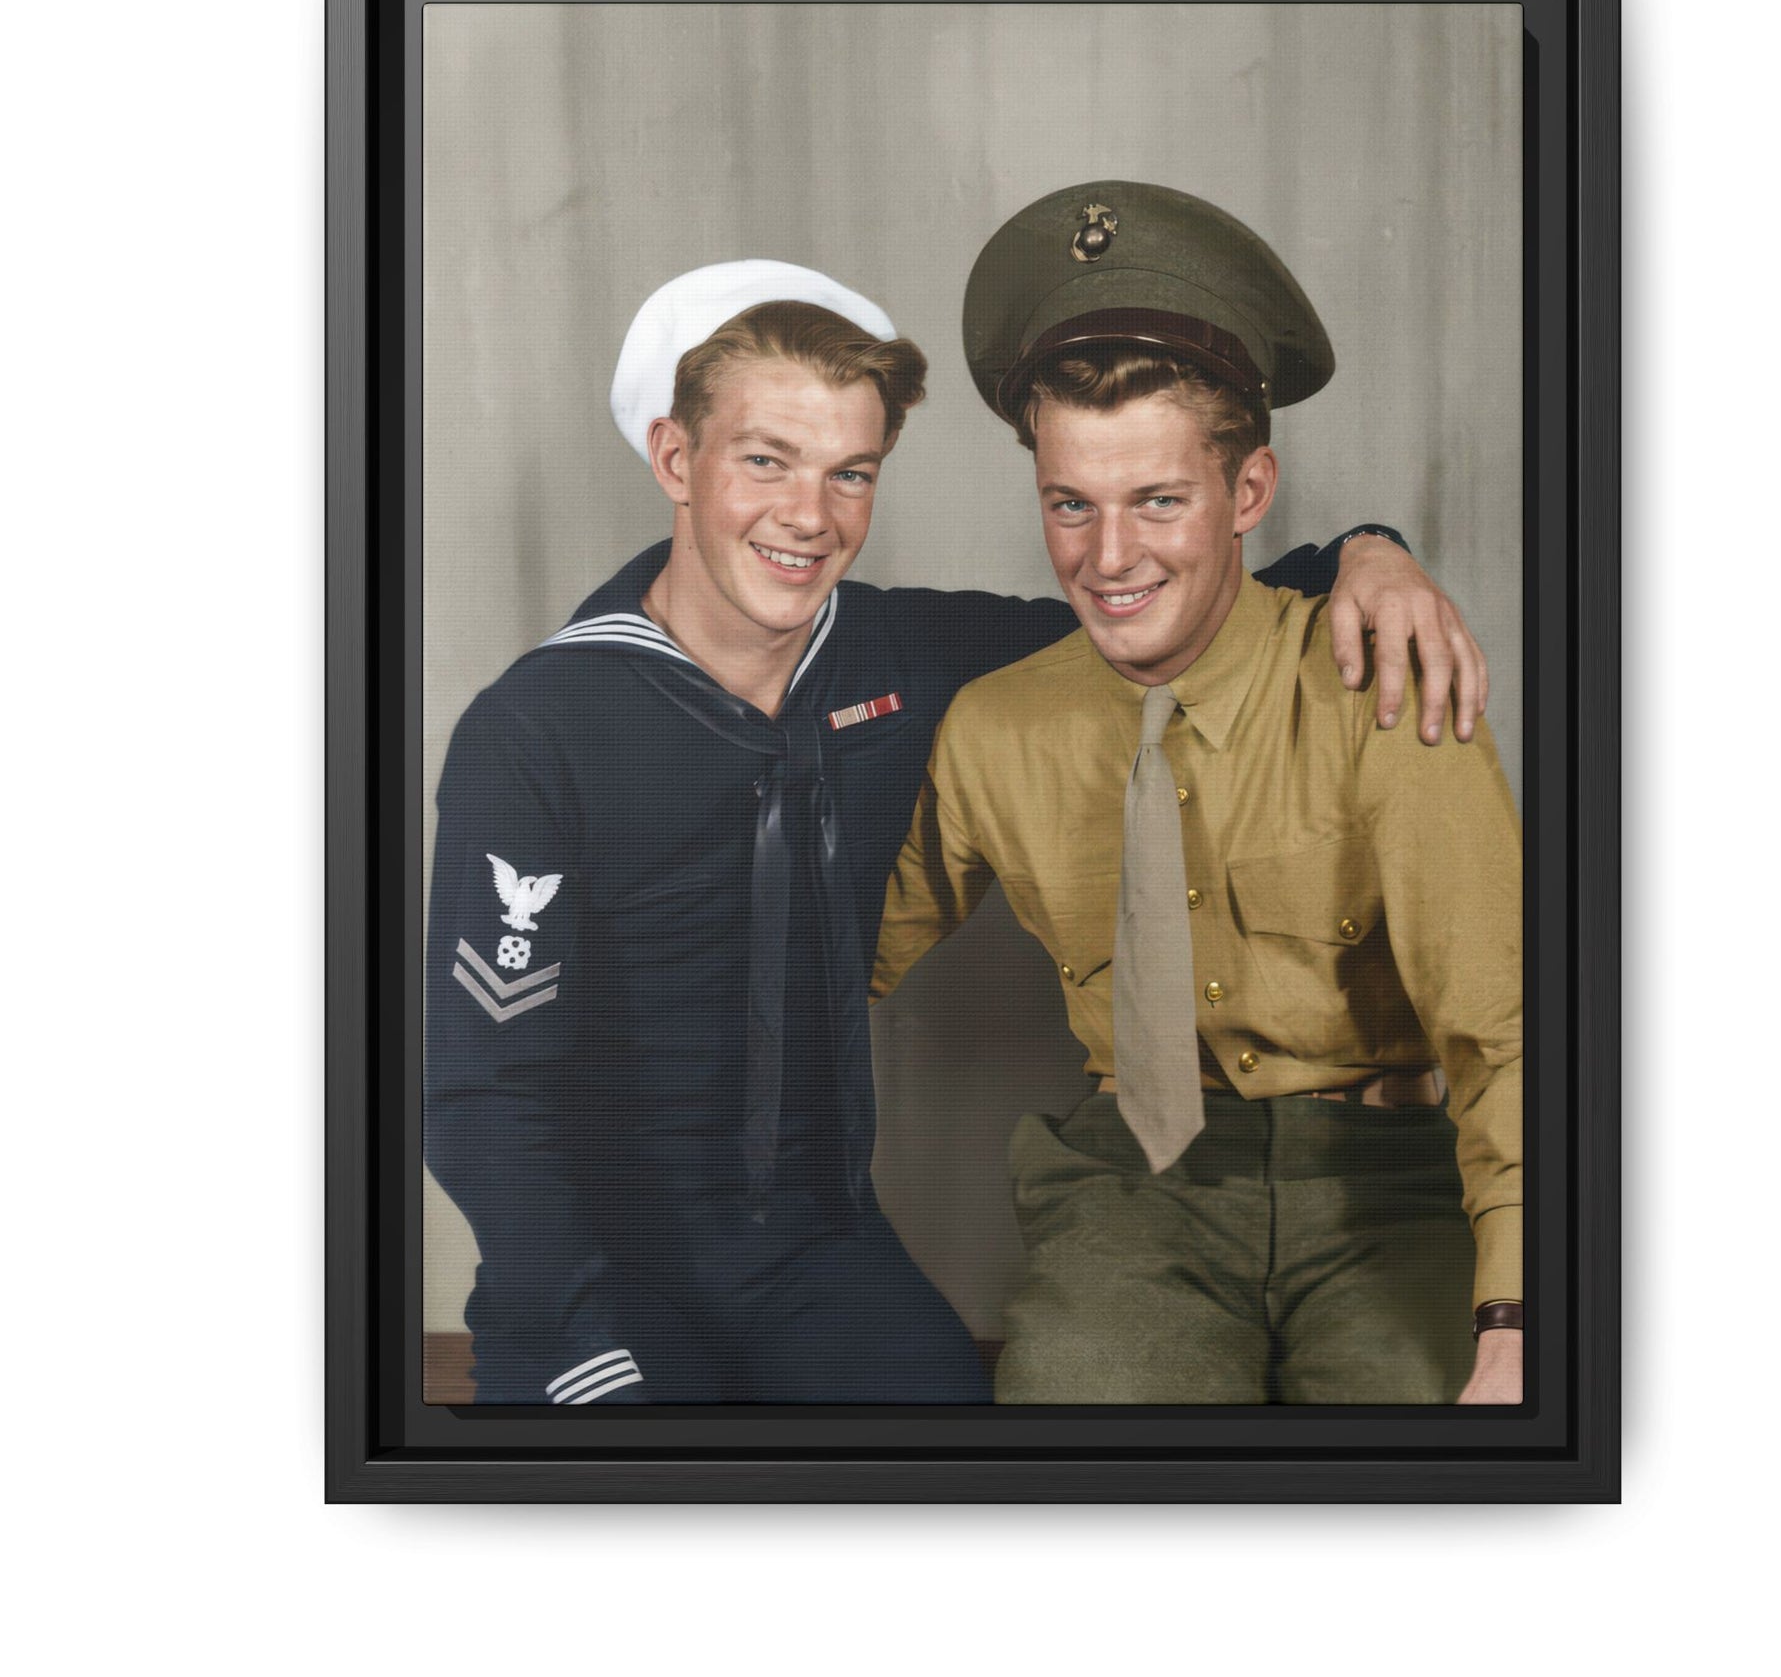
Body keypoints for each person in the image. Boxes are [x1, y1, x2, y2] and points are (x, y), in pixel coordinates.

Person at [424, 253, 1491, 1405]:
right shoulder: (539, 728)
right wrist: (573, 1334)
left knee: (960, 1457)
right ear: (675, 459)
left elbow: (1165, 604)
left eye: (849, 472)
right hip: (594, 1263)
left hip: (815, 1251)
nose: (807, 515)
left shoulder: (909, 655)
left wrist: (1367, 552)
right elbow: (482, 1090)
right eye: (765, 460)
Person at [873, 182, 1523, 1404]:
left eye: (1158, 500)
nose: (1107, 556)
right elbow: (835, 960)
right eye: (1070, 503)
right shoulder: (996, 725)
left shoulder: (1382, 681)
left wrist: (1516, 1319)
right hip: (1133, 1178)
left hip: (1392, 1174)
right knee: (1080, 1419)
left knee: (1427, 1438)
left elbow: (1508, 1034)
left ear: (1249, 492)